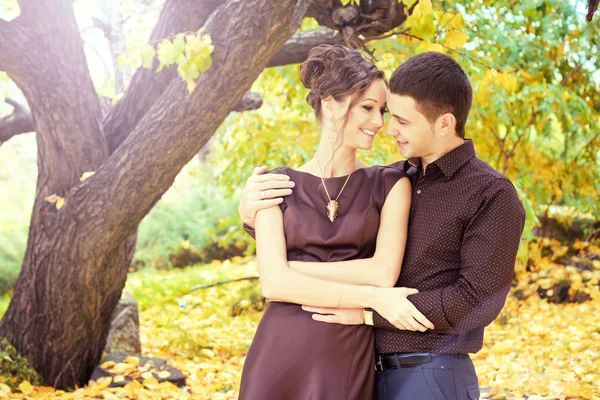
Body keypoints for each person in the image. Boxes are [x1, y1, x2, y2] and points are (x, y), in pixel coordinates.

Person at [239, 51, 526, 400]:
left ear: (445, 124)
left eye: (401, 120)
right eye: (383, 113)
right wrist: (251, 216)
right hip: (362, 366)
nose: (387, 127)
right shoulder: (398, 175)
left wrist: (368, 312)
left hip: (429, 370)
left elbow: (475, 301)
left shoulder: (490, 192)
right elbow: (324, 228)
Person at [237, 44, 421, 400]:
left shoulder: (391, 184)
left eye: (381, 110)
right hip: (279, 351)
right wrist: (370, 298)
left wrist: (292, 269)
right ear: (331, 104)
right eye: (367, 107)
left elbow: (384, 273)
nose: (379, 122)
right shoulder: (275, 184)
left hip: (344, 353)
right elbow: (274, 285)